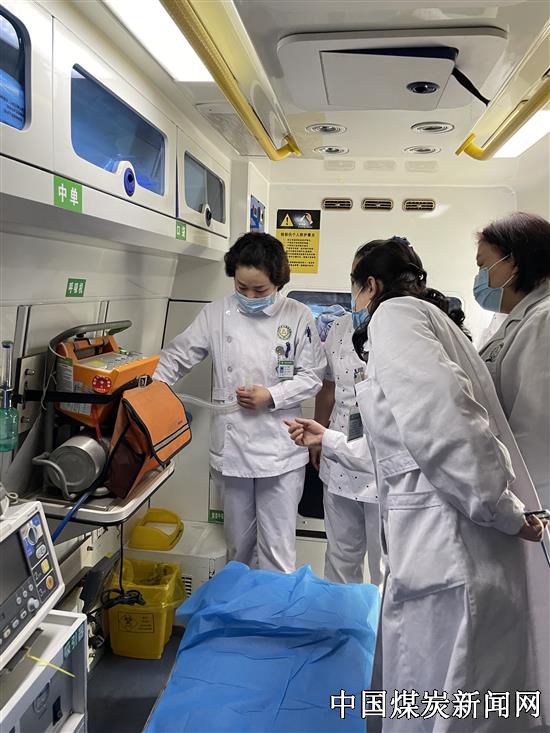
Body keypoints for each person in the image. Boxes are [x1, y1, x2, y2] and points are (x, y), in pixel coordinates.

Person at [287, 237, 548, 732]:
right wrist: (330, 439)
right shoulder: (426, 320)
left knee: (446, 701)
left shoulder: (394, 317)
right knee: (435, 698)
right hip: (447, 546)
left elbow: (450, 428)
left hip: (450, 550)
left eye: (355, 288)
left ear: (370, 285)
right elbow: (406, 448)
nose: (356, 300)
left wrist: (504, 510)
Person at [155, 232, 325, 573]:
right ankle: (241, 605)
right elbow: (177, 356)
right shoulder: (216, 313)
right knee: (238, 549)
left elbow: (313, 377)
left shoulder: (297, 315)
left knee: (277, 550)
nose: (249, 297)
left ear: (278, 282)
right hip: (232, 451)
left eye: (259, 290)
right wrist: (149, 388)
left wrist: (271, 396)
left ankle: (274, 607)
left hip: (280, 449)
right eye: (241, 287)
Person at [311, 243, 382, 585]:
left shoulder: (401, 330)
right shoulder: (340, 327)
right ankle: (340, 616)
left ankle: (381, 622)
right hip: (339, 454)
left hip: (383, 461)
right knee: (340, 557)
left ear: (372, 284)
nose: (352, 286)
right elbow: (328, 387)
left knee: (386, 565)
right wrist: (318, 436)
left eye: (357, 279)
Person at [475, 211, 550, 509]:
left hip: (532, 499)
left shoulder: (544, 320)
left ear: (514, 264)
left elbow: (536, 432)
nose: (480, 278)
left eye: (483, 266)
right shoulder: (522, 318)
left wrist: (519, 511)